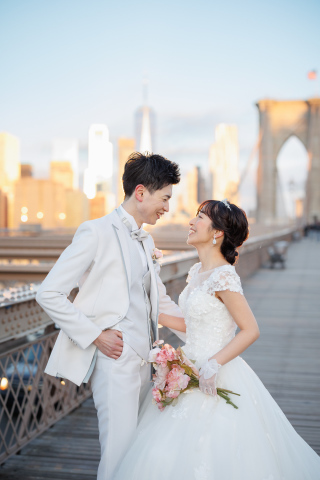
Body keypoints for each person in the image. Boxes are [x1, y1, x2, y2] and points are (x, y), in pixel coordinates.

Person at [114, 199, 320, 480]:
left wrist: (213, 363)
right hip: (189, 366)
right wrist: (151, 311)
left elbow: (250, 329)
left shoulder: (224, 276)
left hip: (216, 369)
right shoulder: (198, 272)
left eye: (199, 217)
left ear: (217, 232)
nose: (191, 222)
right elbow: (190, 324)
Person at [36, 152, 185, 480]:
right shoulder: (95, 231)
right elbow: (48, 293)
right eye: (165, 198)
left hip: (146, 362)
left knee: (137, 454)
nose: (167, 207)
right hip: (114, 361)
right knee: (118, 456)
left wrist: (199, 330)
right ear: (141, 192)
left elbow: (158, 300)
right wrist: (95, 335)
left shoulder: (146, 242)